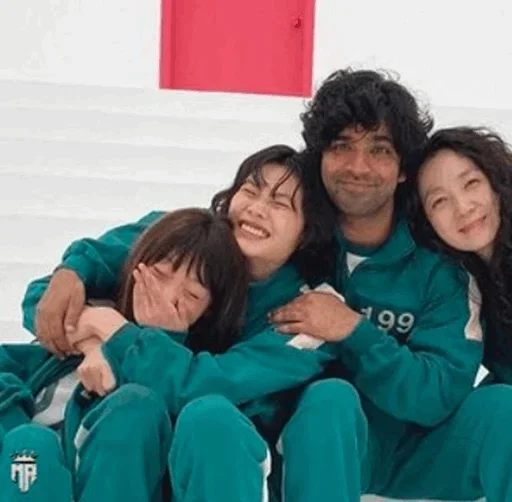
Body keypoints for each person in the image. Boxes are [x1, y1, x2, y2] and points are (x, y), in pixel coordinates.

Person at [22, 145, 343, 501]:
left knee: (208, 418)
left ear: (308, 230)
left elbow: (199, 385)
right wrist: (93, 335)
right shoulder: (183, 237)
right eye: (250, 190)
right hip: (139, 451)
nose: (257, 208)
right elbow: (46, 303)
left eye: (280, 204)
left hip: (226, 469)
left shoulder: (310, 313)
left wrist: (116, 332)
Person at [266, 69, 512, 502]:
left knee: (503, 408)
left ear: (402, 170)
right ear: (319, 157)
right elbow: (203, 239)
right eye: (341, 146)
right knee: (330, 398)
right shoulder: (294, 237)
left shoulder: (441, 265)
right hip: (327, 445)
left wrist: (354, 331)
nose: (358, 166)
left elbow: (439, 393)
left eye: (379, 149)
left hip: (424, 455)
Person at [0, 208, 248, 501]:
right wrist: (94, 339)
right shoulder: (75, 333)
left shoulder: (185, 386)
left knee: (137, 405)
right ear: (133, 265)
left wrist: (160, 339)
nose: (167, 297)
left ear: (209, 310)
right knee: (30, 442)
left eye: (191, 295)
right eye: (158, 275)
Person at [411, 126, 512, 386]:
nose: (463, 207)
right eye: (439, 201)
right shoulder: (457, 287)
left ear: (496, 181)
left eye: (471, 183)